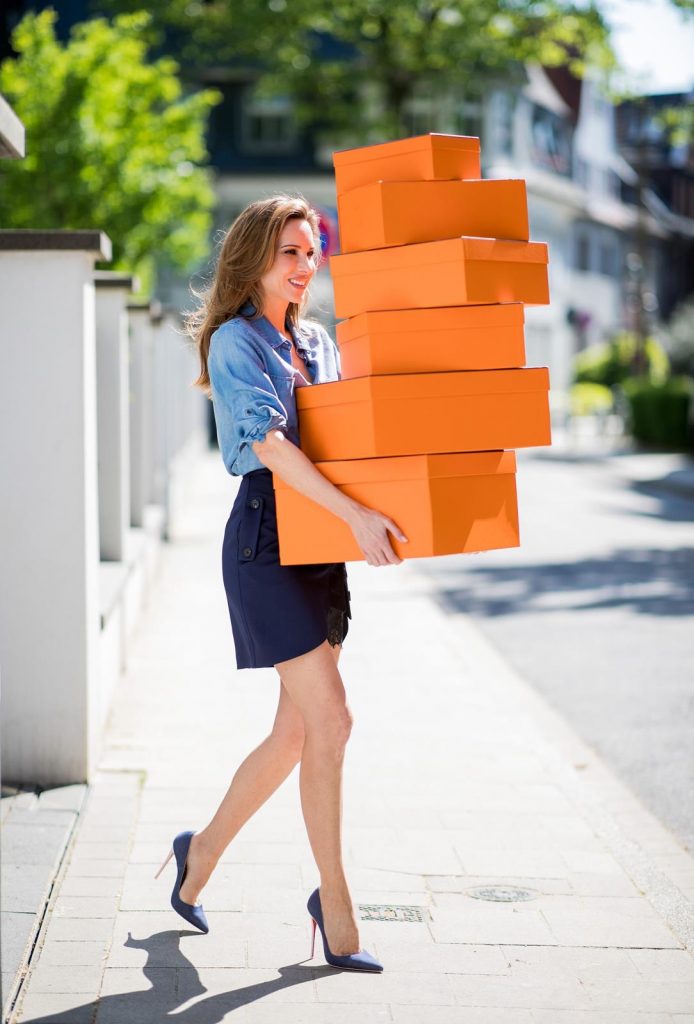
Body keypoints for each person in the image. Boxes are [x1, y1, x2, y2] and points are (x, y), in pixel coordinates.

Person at [155, 194, 408, 973]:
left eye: (311, 251)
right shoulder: (236, 343)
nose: (304, 266)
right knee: (331, 719)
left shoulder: (320, 343)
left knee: (297, 731)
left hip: (319, 542)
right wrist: (358, 517)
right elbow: (270, 445)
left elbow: (344, 438)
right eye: (290, 252)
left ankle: (196, 855)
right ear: (256, 257)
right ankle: (335, 906)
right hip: (267, 543)